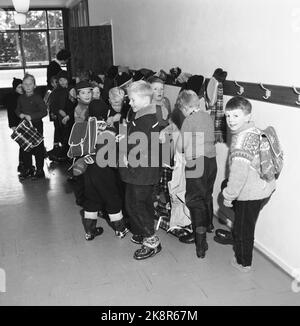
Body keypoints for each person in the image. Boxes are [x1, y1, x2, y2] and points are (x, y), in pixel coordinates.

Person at [222, 96, 276, 272]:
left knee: (243, 230)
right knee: (245, 224)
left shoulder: (241, 143)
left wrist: (228, 198)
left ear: (247, 116)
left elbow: (238, 175)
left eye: (235, 116)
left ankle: (243, 262)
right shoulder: (255, 130)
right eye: (228, 116)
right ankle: (242, 255)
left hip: (250, 193)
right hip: (265, 187)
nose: (230, 120)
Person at [119, 80, 162, 260]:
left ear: (145, 99)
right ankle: (145, 231)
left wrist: (124, 143)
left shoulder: (146, 119)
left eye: (132, 100)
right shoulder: (143, 115)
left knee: (135, 205)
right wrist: (126, 135)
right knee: (141, 203)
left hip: (142, 172)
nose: (130, 103)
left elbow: (139, 144)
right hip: (142, 171)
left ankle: (151, 241)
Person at [175, 90, 217, 259]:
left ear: (185, 107)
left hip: (195, 162)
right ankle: (208, 226)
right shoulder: (207, 116)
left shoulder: (189, 120)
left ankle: (200, 243)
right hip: (211, 161)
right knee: (207, 193)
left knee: (194, 200)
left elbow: (181, 147)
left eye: (182, 111)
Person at [15, 74, 47, 180]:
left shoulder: (37, 98)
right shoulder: (21, 98)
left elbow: (44, 111)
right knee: (25, 148)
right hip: (24, 126)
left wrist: (32, 116)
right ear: (22, 86)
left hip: (36, 125)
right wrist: (20, 114)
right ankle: (29, 168)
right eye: (25, 84)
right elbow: (17, 109)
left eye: (30, 84)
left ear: (34, 85)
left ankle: (40, 170)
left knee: (38, 148)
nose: (28, 86)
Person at [4, 77, 28, 175]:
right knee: (23, 145)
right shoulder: (12, 99)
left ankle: (24, 164)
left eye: (22, 86)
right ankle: (23, 164)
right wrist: (13, 126)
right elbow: (10, 113)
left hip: (25, 124)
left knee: (24, 145)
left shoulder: (24, 96)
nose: (21, 89)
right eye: (19, 87)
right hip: (17, 125)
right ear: (15, 88)